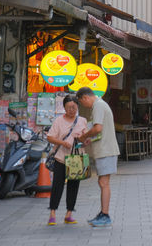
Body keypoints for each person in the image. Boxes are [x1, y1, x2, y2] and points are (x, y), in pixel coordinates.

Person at [77, 87, 120, 227]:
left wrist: (84, 136)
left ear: (85, 97)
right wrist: (91, 139)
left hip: (106, 150)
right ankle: (103, 213)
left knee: (103, 183)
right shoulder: (100, 105)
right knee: (103, 182)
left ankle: (105, 214)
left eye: (82, 102)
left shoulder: (98, 106)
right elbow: (100, 132)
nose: (84, 105)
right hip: (105, 149)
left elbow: (97, 128)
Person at [46, 95, 87, 226]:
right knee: (57, 185)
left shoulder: (82, 120)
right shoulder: (58, 121)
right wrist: (63, 143)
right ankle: (52, 213)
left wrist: (84, 141)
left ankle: (69, 213)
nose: (71, 110)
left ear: (77, 107)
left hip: (76, 158)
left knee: (73, 186)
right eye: (69, 107)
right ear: (64, 107)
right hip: (61, 158)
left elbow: (86, 139)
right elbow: (50, 137)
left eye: (74, 107)